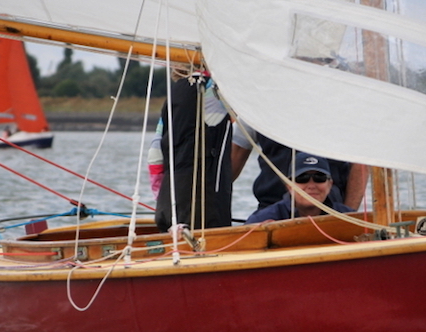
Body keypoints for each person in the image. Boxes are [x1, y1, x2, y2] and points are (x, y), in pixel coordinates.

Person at [151, 72, 233, 232]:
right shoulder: (211, 90)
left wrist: (162, 196)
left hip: (167, 205)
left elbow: (154, 156)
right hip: (203, 209)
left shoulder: (173, 95)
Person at [230, 123, 367, 212]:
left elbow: (361, 163)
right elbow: (228, 169)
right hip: (271, 208)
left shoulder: (342, 107)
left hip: (331, 210)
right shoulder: (254, 109)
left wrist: (349, 214)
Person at [246, 152, 355, 223]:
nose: (311, 185)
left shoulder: (351, 218)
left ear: (330, 184)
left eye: (319, 178)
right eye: (302, 178)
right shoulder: (261, 220)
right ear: (289, 186)